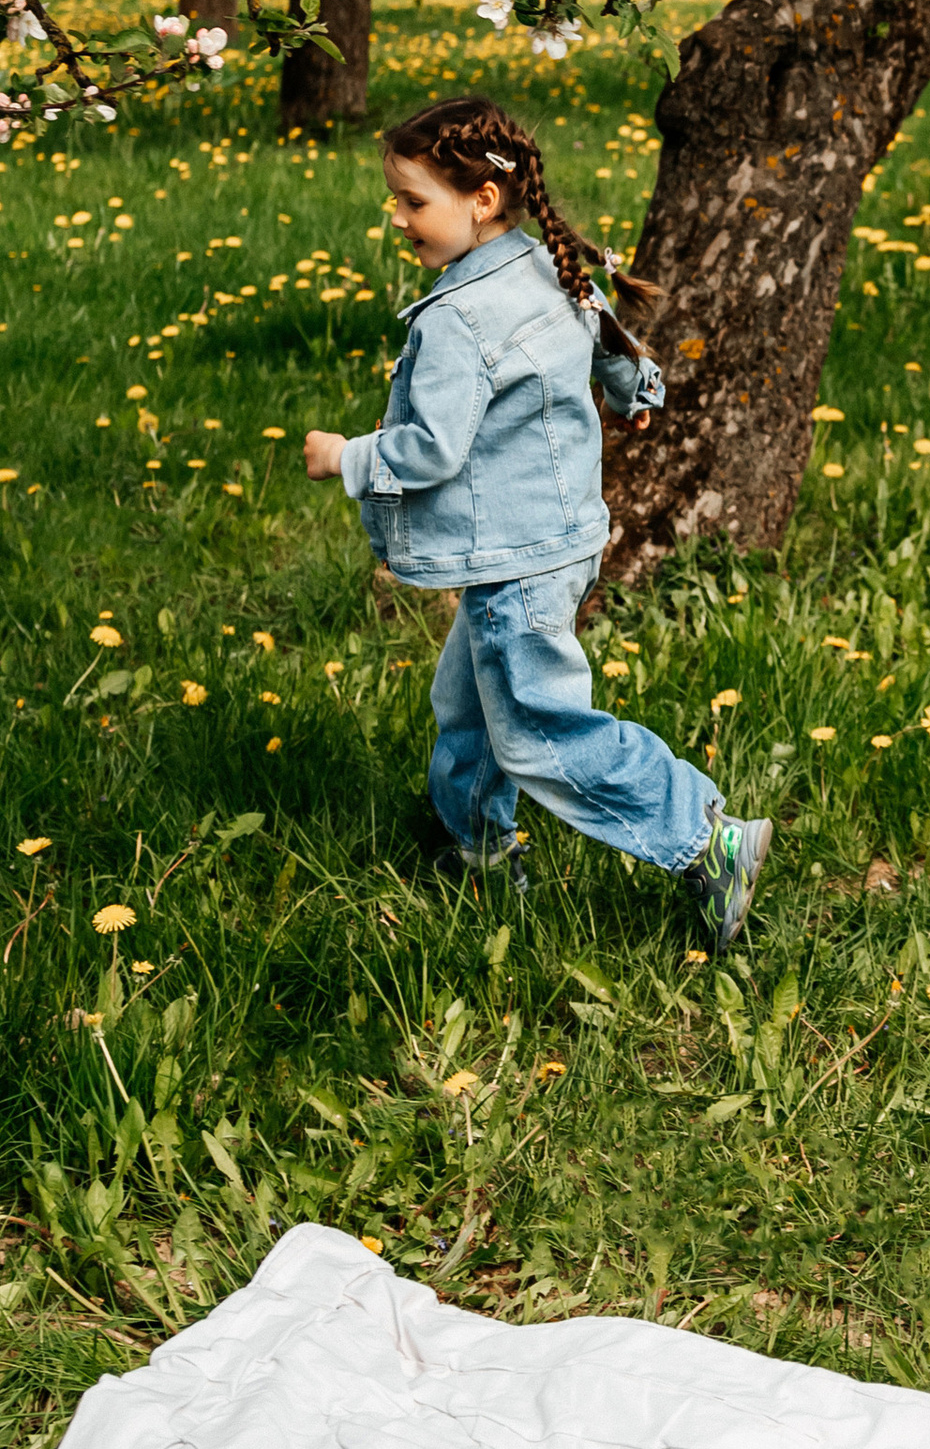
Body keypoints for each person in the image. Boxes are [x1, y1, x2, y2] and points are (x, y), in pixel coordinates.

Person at [303, 94, 771, 953]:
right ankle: (479, 851)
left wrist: (346, 456)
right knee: (472, 704)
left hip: (518, 555)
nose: (398, 217)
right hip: (553, 540)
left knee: (539, 728)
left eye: (413, 201)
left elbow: (432, 450)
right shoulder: (547, 265)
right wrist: (636, 393)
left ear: (482, 199)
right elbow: (603, 335)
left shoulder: (458, 317)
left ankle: (706, 837)